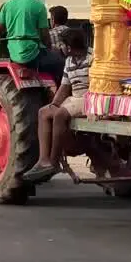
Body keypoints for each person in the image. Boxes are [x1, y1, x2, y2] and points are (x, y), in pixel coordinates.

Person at [23, 28, 94, 182]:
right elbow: (64, 86)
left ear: (69, 47)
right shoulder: (69, 61)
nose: (61, 48)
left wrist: (59, 108)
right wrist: (54, 104)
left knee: (60, 114)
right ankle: (44, 160)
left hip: (89, 98)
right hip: (75, 98)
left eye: (63, 45)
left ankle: (54, 161)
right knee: (44, 112)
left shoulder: (92, 58)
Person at [0, 0, 65, 86]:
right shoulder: (38, 6)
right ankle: (56, 96)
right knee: (61, 62)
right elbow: (44, 36)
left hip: (14, 55)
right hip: (33, 57)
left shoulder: (7, 5)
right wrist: (49, 49)